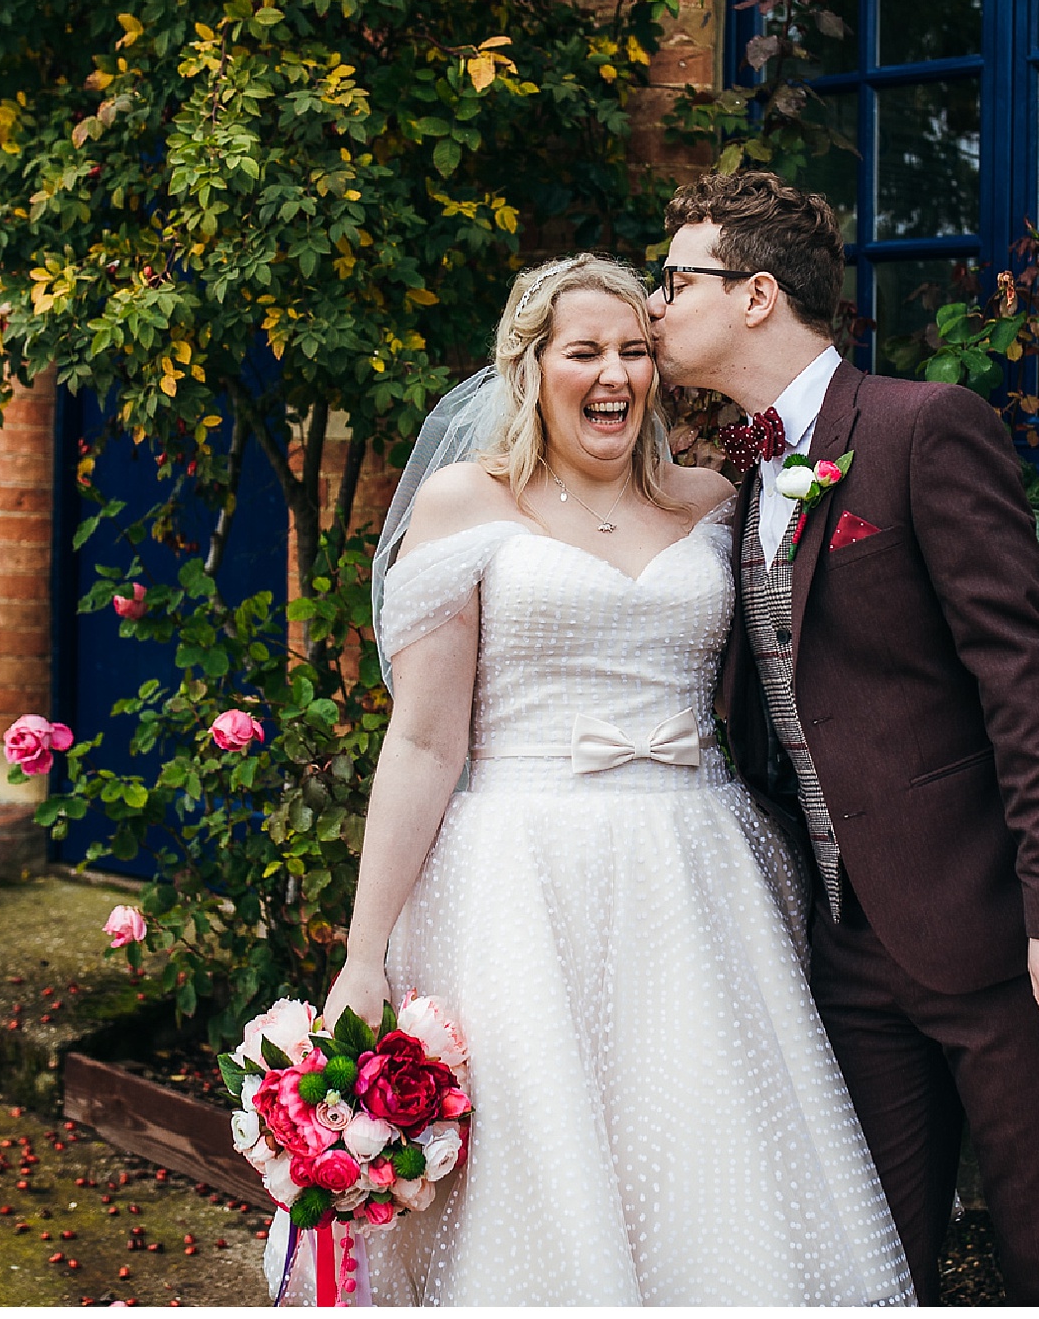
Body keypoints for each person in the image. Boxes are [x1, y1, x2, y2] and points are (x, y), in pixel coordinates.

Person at [320, 253, 914, 1305]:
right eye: (583, 351)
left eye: (635, 350)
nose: (615, 375)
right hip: (521, 880)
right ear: (529, 365)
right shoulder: (468, 501)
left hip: (697, 873)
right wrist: (363, 955)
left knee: (703, 1157)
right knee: (547, 1174)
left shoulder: (715, 500)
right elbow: (423, 744)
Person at [646, 169, 1039, 1305]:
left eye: (677, 279)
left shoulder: (922, 428)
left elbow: (1028, 678)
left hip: (1001, 938)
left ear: (757, 295)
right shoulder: (739, 475)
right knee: (866, 1268)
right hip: (847, 950)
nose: (656, 304)